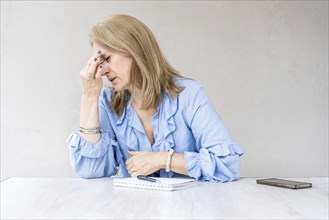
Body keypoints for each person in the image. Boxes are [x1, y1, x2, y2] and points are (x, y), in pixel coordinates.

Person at [66, 14, 244, 182]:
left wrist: (163, 159)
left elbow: (228, 165)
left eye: (106, 59)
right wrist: (89, 97)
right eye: (99, 63)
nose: (102, 71)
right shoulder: (108, 102)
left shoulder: (188, 95)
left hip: (188, 209)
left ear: (133, 50)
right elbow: (91, 170)